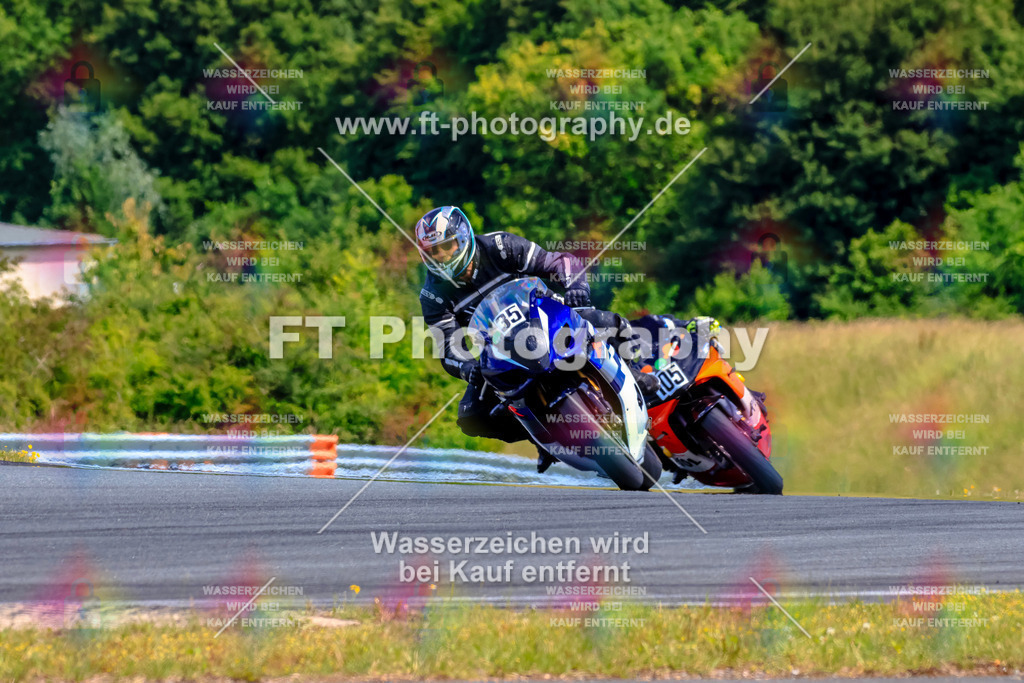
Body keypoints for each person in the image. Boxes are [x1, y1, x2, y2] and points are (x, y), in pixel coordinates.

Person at [415, 205, 659, 472]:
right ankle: (541, 438)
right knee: (472, 417)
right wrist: (466, 367)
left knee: (606, 321)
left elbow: (558, 262)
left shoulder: (500, 246)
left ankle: (635, 370)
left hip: (546, 318)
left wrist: (575, 285)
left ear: (463, 238)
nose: (440, 256)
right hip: (499, 352)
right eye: (432, 251)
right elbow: (448, 347)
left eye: (446, 246)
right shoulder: (432, 295)